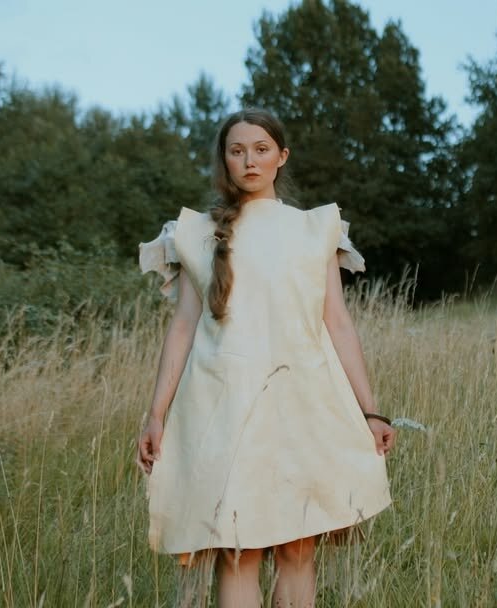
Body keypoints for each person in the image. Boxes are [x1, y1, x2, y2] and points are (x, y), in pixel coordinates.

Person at [136, 108, 394, 607]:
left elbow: (338, 322)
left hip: (305, 403)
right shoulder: (195, 233)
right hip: (224, 407)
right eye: (237, 151)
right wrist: (156, 414)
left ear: (281, 156)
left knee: (298, 546)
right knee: (238, 548)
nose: (249, 161)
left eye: (261, 149)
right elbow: (183, 327)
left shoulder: (315, 228)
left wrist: (371, 411)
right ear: (225, 160)